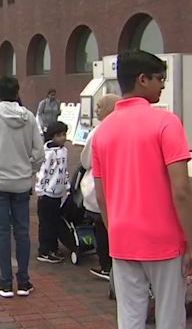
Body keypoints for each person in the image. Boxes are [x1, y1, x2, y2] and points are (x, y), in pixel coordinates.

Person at [92, 50, 192, 328]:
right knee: (171, 317)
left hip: (123, 237)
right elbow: (181, 189)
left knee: (130, 318)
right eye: (160, 78)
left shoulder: (103, 131)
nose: (162, 84)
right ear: (142, 79)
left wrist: (115, 229)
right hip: (165, 239)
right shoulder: (166, 122)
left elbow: (101, 196)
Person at [0, 76, 45, 298]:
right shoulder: (29, 117)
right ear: (17, 92)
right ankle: (23, 281)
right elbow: (39, 153)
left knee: (2, 232)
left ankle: (5, 282)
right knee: (23, 232)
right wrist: (29, 170)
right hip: (22, 182)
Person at [80, 94, 120, 280]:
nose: (96, 110)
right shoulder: (125, 127)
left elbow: (86, 160)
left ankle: (106, 266)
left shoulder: (98, 131)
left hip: (101, 186)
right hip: (121, 187)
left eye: (99, 107)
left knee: (101, 226)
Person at [35, 121, 70, 264]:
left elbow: (64, 171)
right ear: (52, 136)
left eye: (64, 134)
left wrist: (67, 186)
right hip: (47, 194)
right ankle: (44, 250)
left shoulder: (64, 151)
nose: (63, 138)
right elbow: (43, 173)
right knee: (46, 223)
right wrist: (40, 190)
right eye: (59, 135)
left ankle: (53, 248)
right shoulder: (48, 154)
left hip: (57, 194)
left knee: (54, 222)